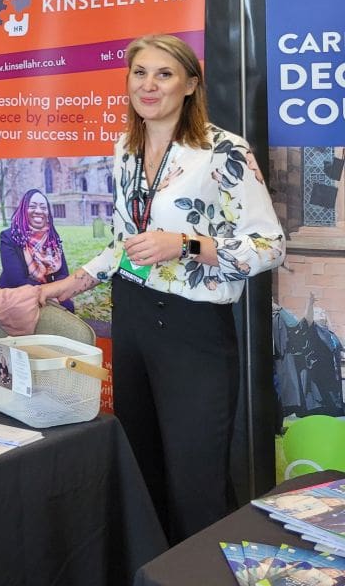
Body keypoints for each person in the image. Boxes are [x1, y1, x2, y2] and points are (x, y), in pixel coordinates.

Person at [37, 34, 284, 544]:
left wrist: (190, 245)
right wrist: (70, 283)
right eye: (139, 72)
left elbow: (270, 245)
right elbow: (125, 243)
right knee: (141, 464)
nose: (149, 85)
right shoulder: (125, 149)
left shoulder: (223, 151)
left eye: (164, 74)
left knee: (196, 480)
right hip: (133, 319)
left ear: (191, 84)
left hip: (192, 330)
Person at [0, 189, 73, 311]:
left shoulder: (53, 238)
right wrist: (46, 293)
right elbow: (16, 279)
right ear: (23, 210)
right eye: (32, 206)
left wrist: (54, 292)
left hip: (47, 291)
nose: (38, 211)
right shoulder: (9, 237)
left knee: (68, 307)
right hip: (15, 292)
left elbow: (63, 274)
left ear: (48, 212)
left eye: (43, 207)